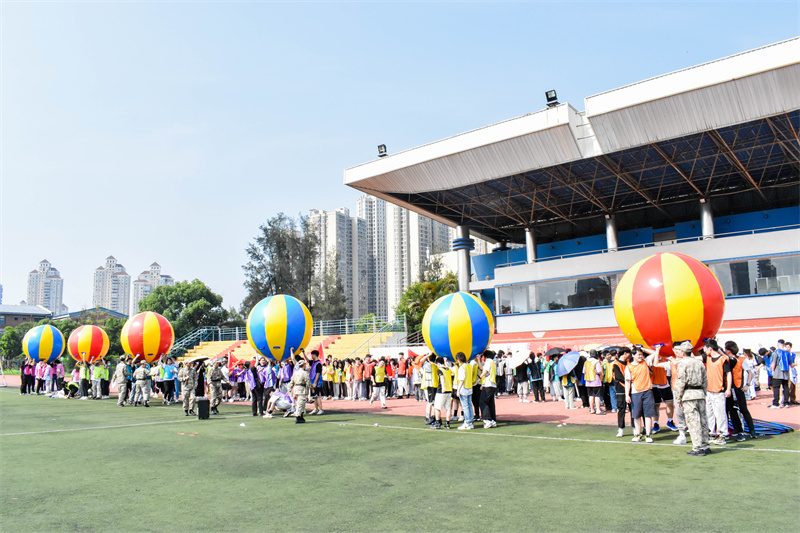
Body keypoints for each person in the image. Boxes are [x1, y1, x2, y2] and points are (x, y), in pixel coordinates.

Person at [673, 341, 711, 456]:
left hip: (688, 394)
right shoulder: (699, 363)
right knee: (703, 420)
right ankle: (705, 444)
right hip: (699, 393)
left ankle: (697, 447)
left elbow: (681, 381)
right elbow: (705, 380)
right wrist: (704, 393)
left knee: (693, 421)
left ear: (683, 352)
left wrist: (678, 398)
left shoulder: (682, 364)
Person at [725, 340, 757, 440]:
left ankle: (750, 430)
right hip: (730, 388)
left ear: (729, 350)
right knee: (731, 410)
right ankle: (736, 429)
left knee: (742, 410)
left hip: (738, 388)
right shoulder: (728, 359)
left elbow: (750, 373)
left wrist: (747, 385)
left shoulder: (742, 360)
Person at [702, 339, 731, 445]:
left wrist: (728, 389)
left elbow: (728, 374)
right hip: (709, 390)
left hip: (719, 390)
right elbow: (694, 358)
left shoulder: (723, 359)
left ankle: (722, 434)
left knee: (720, 413)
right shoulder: (707, 358)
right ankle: (711, 433)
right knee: (709, 413)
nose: (704, 350)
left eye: (705, 348)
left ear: (710, 348)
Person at [625, 347, 656, 443]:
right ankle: (638, 435)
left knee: (648, 414)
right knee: (636, 415)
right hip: (635, 393)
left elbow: (654, 353)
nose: (640, 356)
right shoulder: (629, 366)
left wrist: (642, 348)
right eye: (638, 354)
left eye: (641, 354)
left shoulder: (646, 362)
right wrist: (627, 395)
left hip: (647, 391)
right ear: (633, 355)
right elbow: (627, 382)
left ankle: (648, 435)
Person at [770, 339, 794, 408]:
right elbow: (791, 363)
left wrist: (772, 370)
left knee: (776, 388)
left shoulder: (776, 352)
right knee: (786, 387)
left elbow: (774, 362)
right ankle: (786, 402)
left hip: (778, 372)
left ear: (778, 344)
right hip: (786, 373)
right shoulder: (788, 353)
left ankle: (776, 403)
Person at [431, 357, 453, 429]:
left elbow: (442, 378)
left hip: (441, 391)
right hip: (449, 390)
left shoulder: (440, 370)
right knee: (448, 408)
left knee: (437, 407)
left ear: (438, 364)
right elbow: (447, 367)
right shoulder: (448, 369)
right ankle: (447, 423)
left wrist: (443, 387)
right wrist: (445, 361)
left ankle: (437, 422)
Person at [288, 357, 311, 424]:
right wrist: (311, 388)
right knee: (301, 403)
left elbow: (292, 381)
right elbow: (308, 381)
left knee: (301, 402)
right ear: (303, 365)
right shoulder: (304, 373)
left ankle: (301, 415)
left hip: (296, 388)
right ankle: (298, 416)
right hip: (302, 388)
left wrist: (289, 388)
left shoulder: (295, 373)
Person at [455, 353, 474, 430]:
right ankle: (470, 422)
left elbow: (461, 380)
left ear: (459, 360)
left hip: (464, 389)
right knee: (469, 405)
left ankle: (467, 422)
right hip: (469, 387)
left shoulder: (462, 368)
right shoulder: (469, 366)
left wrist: (458, 390)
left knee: (465, 406)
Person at [479, 350, 498, 428]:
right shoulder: (492, 362)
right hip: (492, 384)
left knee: (482, 401)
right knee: (490, 403)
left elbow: (485, 371)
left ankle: (487, 419)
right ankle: (492, 420)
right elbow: (482, 368)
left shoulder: (488, 362)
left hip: (488, 384)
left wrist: (479, 378)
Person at [583, 350, 603, 414]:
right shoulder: (596, 361)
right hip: (596, 380)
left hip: (588, 381)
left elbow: (584, 371)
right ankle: (598, 409)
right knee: (597, 396)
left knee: (590, 396)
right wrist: (602, 374)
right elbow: (599, 371)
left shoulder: (586, 362)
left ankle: (591, 409)